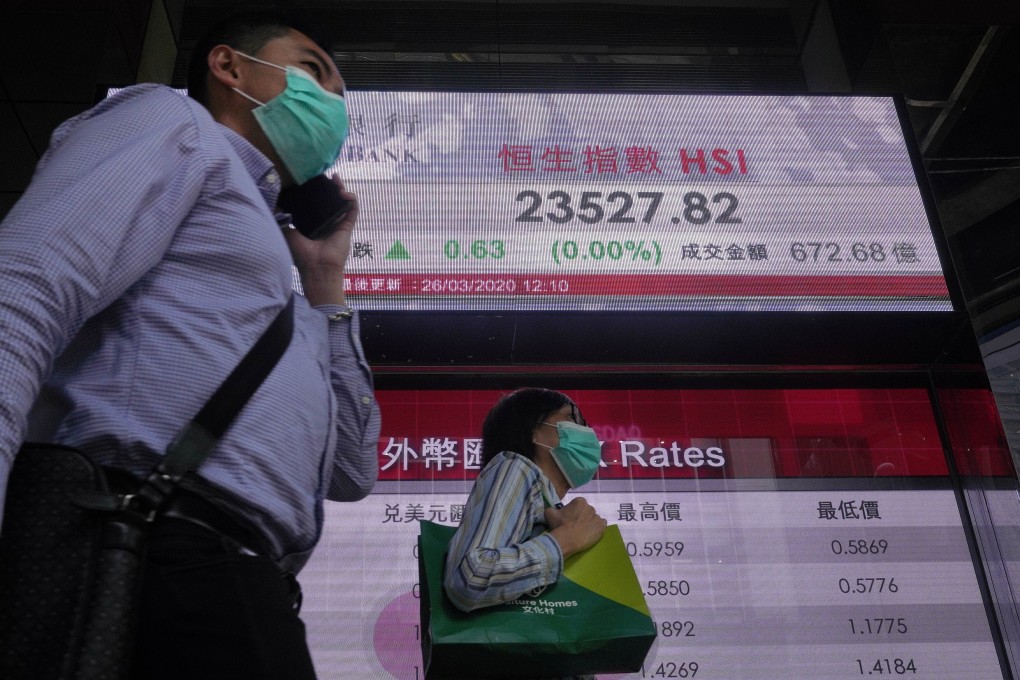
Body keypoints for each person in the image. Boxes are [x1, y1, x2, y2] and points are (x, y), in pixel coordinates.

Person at [0, 7, 379, 679]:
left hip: (239, 579)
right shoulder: (172, 125)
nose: (329, 103)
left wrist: (324, 277)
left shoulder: (274, 278)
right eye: (313, 72)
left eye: (340, 96)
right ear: (230, 66)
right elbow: (27, 293)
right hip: (140, 545)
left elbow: (351, 469)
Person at [443, 388, 607, 677]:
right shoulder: (515, 469)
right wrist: (565, 541)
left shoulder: (548, 505)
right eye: (571, 419)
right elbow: (472, 575)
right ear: (533, 430)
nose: (587, 432)